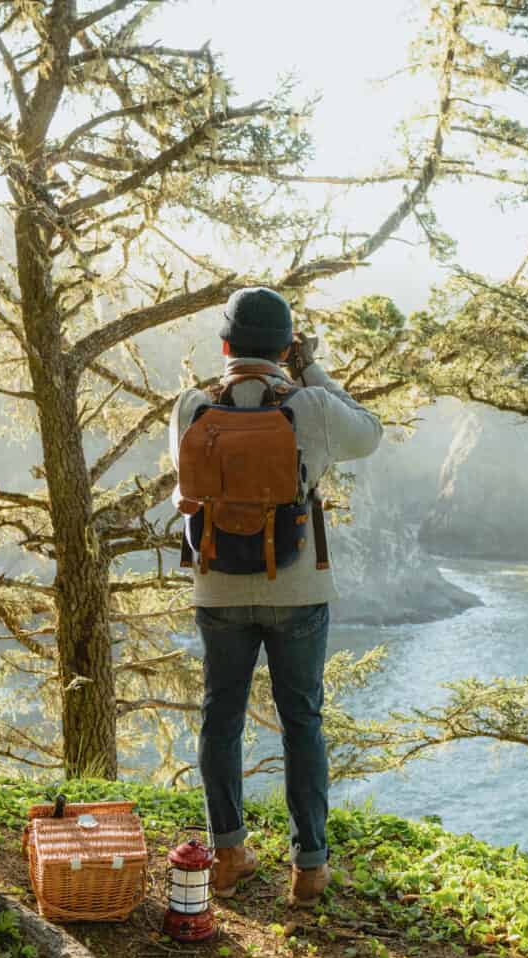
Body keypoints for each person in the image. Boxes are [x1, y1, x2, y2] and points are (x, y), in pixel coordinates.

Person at [168, 286, 384, 908]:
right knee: (302, 722)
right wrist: (311, 368)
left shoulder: (191, 406)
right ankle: (309, 869)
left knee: (221, 716)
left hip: (218, 589)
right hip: (296, 589)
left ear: (226, 346)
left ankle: (229, 853)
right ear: (285, 347)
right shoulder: (311, 405)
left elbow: (190, 484)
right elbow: (368, 434)